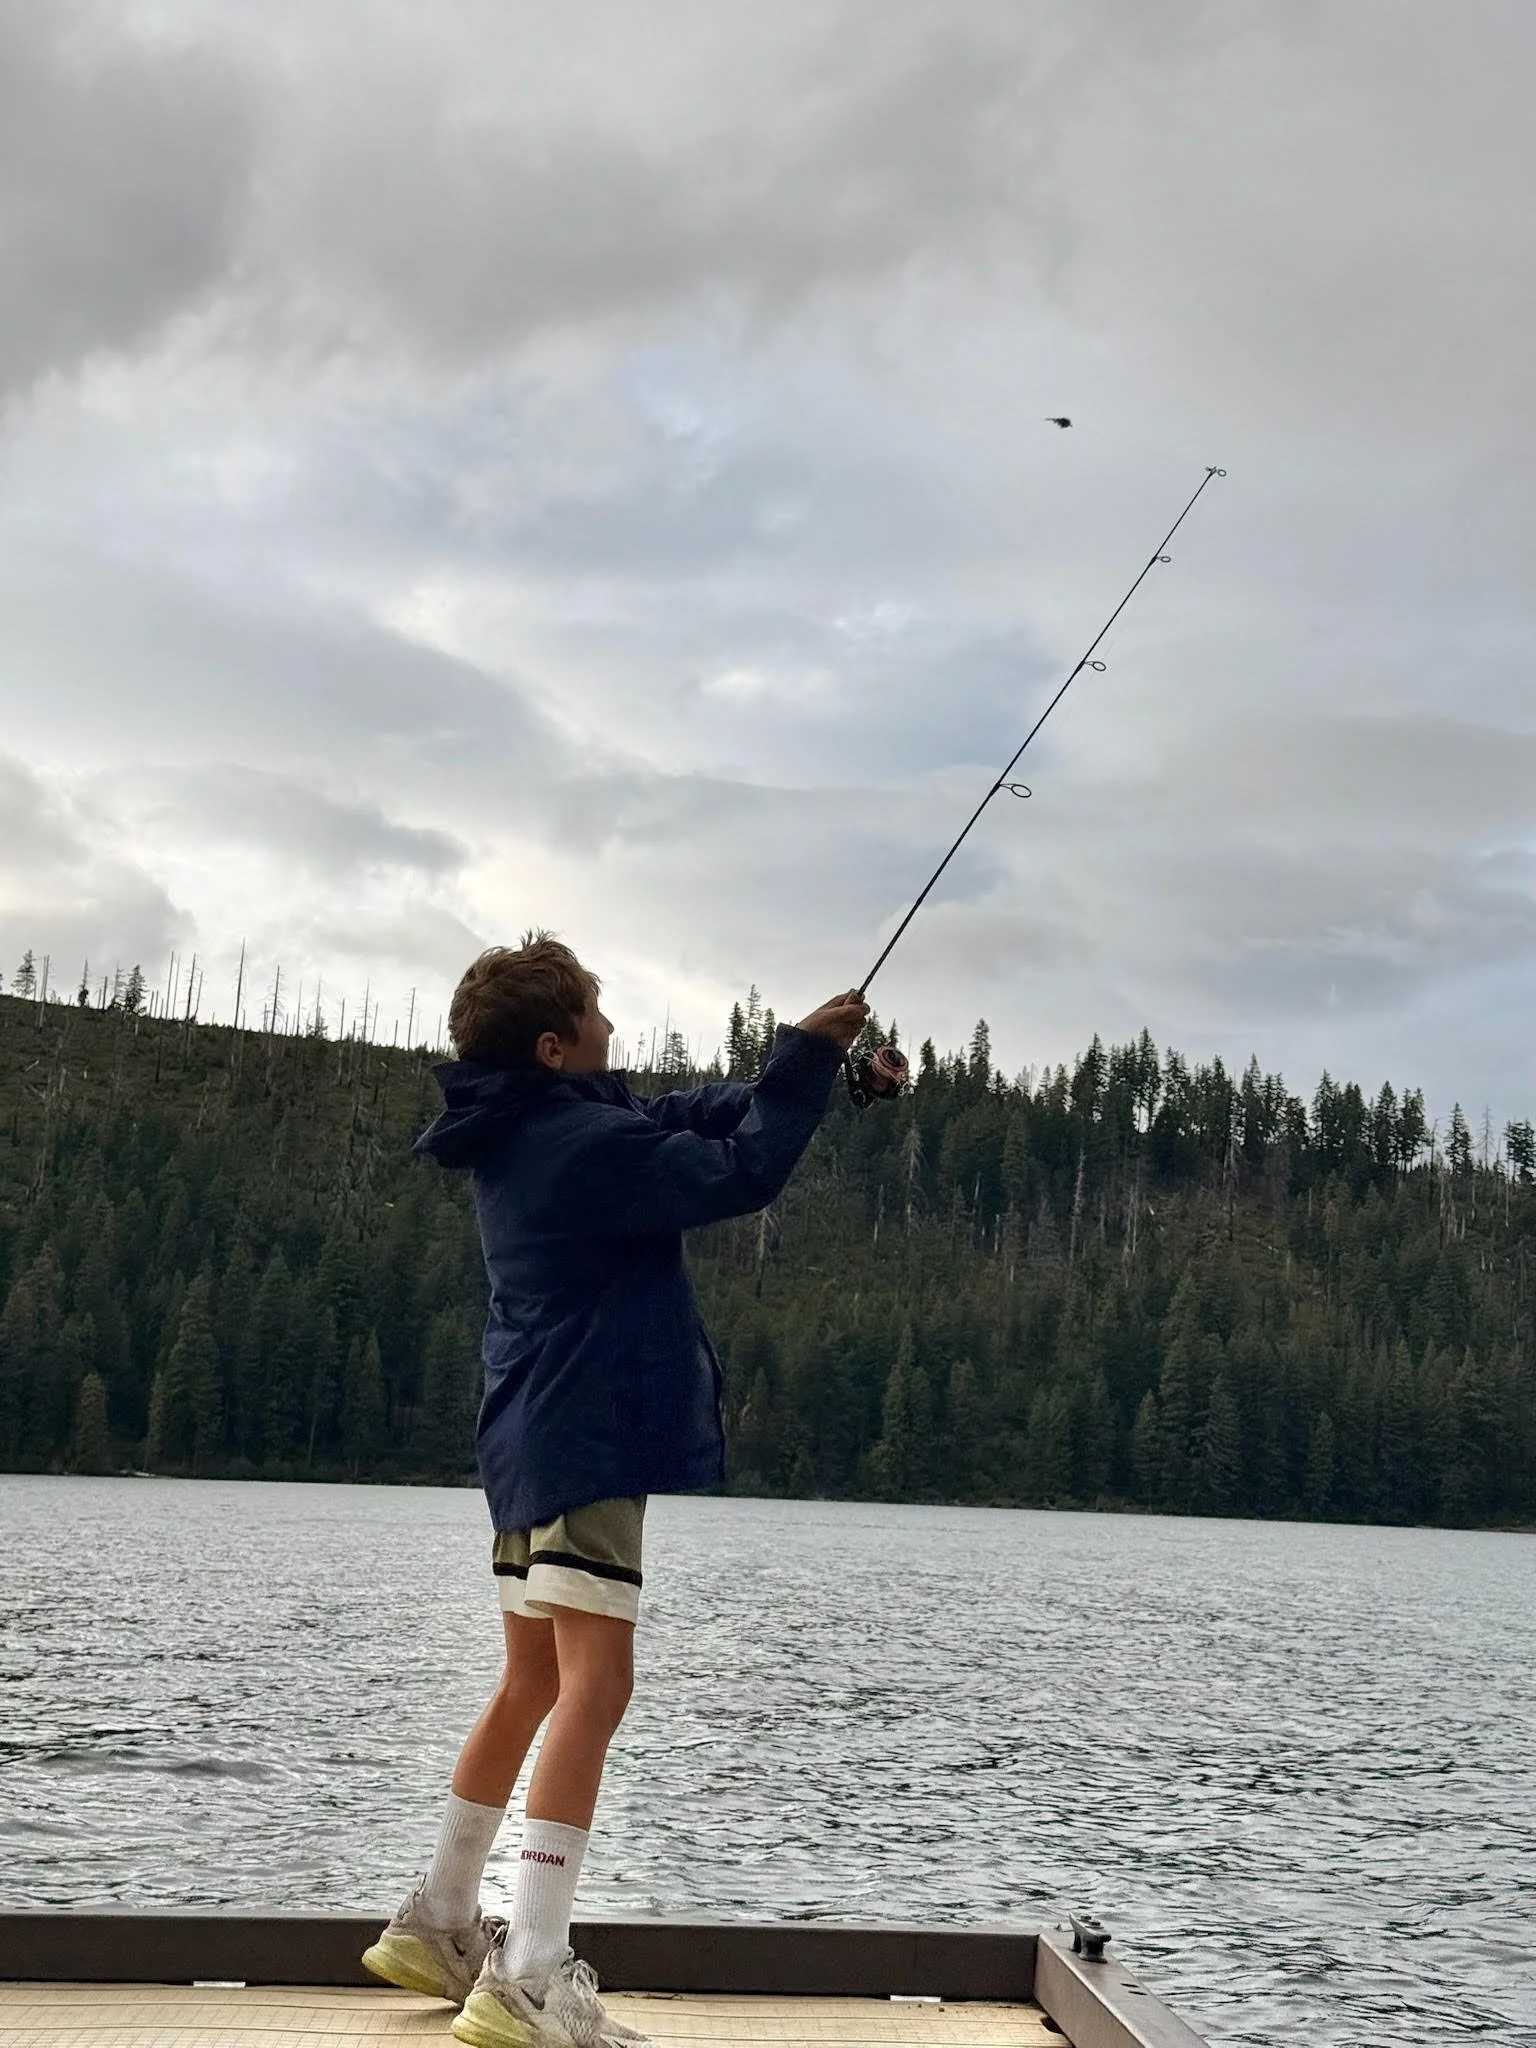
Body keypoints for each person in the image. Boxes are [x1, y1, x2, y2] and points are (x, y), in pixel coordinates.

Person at [362, 934, 869, 2048]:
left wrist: (802, 1061)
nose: (609, 1026)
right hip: (588, 1432)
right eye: (592, 1014)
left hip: (528, 1436)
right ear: (554, 1047)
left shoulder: (530, 1126)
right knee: (596, 1686)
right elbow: (737, 1171)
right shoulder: (580, 1142)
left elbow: (677, 1116)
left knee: (530, 1678)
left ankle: (443, 1918)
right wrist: (802, 1077)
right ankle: (532, 1973)